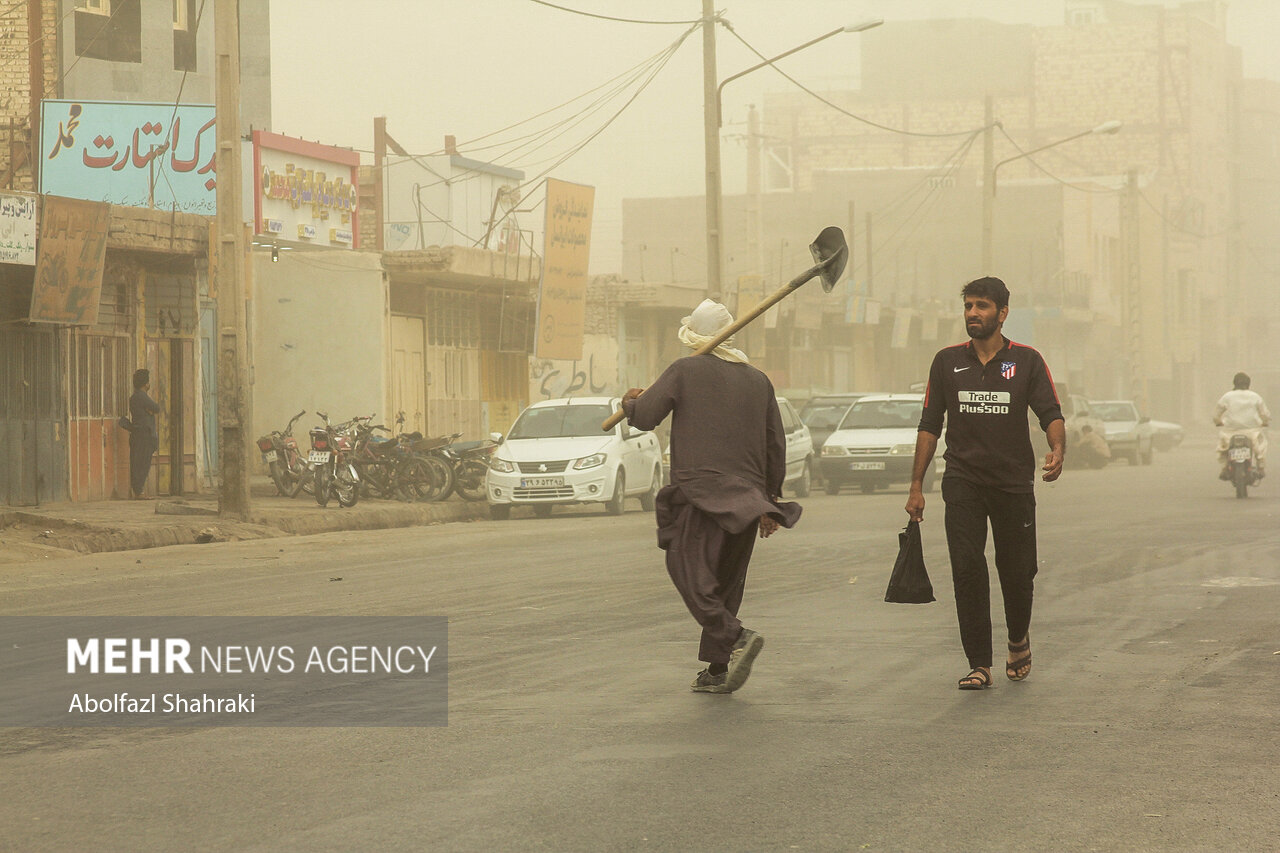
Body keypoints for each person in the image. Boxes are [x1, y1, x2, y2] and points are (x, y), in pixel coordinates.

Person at [622, 299, 801, 694]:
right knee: (725, 583)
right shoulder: (758, 380)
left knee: (687, 569)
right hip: (749, 498)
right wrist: (769, 501)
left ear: (692, 336)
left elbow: (645, 416)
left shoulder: (684, 370)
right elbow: (776, 444)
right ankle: (718, 670)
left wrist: (630, 401)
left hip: (702, 493)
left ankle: (735, 637)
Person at [904, 277, 1065, 690]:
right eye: (969, 306)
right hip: (963, 481)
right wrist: (916, 486)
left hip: (1012, 483)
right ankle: (979, 663)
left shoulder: (1026, 361)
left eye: (982, 306)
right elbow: (929, 424)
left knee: (1017, 571)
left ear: (1002, 313)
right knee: (967, 568)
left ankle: (1018, 640)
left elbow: (1050, 412)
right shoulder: (946, 362)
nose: (973, 314)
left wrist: (1057, 449)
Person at [1214, 372, 1270, 478]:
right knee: (1261, 446)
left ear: (1234, 383)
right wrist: (1265, 422)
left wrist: (1218, 422)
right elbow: (1264, 414)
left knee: (1222, 448)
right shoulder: (1255, 396)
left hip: (1230, 431)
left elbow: (1217, 414)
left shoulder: (1227, 396)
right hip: (1252, 431)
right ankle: (1261, 467)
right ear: (1248, 384)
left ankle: (1225, 468)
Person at [128, 368, 162, 500]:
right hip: (144, 435)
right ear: (145, 384)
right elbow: (156, 408)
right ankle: (139, 491)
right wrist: (150, 411)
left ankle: (137, 490)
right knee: (143, 463)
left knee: (137, 462)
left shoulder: (133, 398)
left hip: (136, 433)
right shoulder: (142, 397)